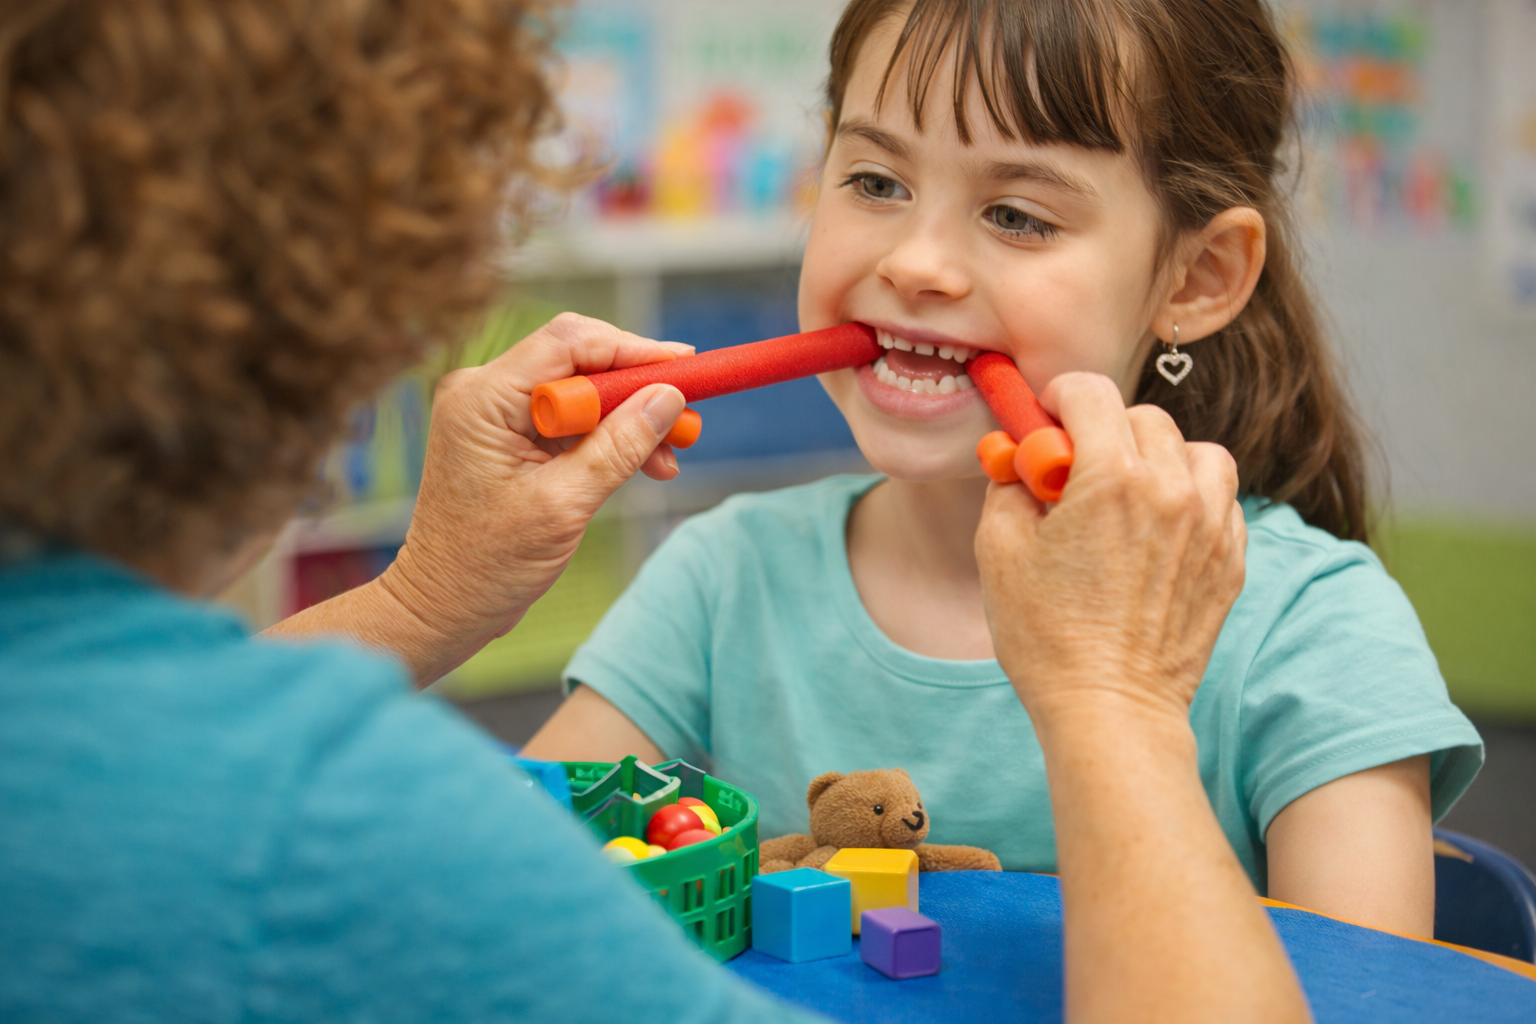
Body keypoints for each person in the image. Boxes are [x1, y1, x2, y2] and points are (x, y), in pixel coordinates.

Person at [525, 0, 1483, 940]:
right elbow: (487, 888)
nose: (917, 263)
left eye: (1018, 215)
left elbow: (1366, 994)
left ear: (1197, 277)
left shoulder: (1314, 628)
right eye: (875, 182)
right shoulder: (722, 576)